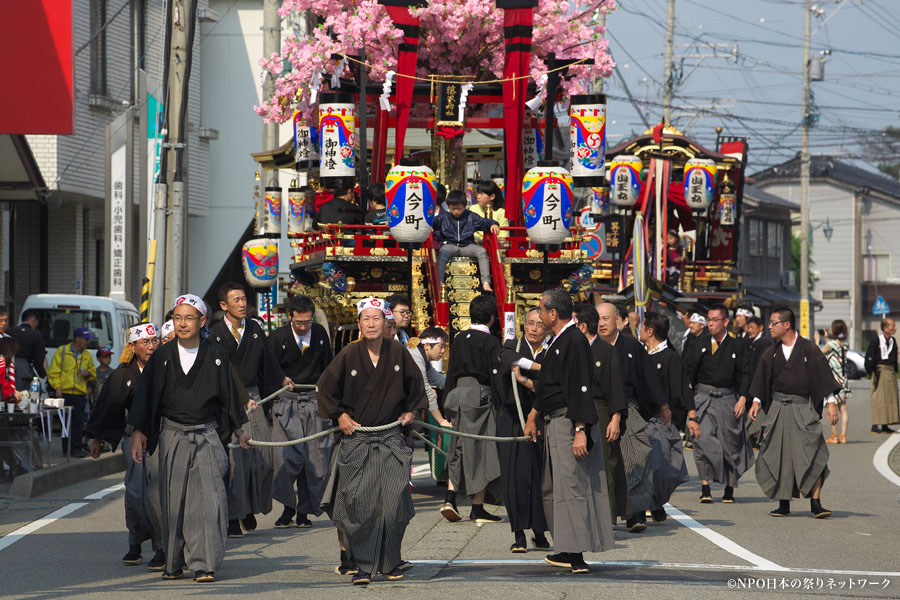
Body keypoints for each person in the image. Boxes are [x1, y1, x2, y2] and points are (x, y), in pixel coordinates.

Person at [129, 294, 251, 583]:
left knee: (209, 501)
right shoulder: (161, 356)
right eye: (177, 318)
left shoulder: (216, 354)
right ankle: (173, 561)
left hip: (207, 435)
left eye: (188, 318)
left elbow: (229, 397)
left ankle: (205, 563)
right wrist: (138, 433)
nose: (182, 324)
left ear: (202, 321)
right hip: (171, 434)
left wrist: (240, 430)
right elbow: (146, 398)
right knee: (171, 501)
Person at [317, 297, 426, 585]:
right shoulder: (349, 354)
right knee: (359, 504)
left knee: (393, 504)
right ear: (360, 323)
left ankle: (389, 562)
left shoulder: (399, 353)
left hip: (390, 438)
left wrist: (409, 410)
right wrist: (339, 415)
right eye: (365, 319)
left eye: (376, 318)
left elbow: (415, 387)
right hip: (358, 439)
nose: (371, 324)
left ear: (386, 321)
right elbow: (326, 389)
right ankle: (363, 566)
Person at [524, 289, 614, 575]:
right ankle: (565, 547)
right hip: (555, 422)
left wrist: (580, 429)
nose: (539, 315)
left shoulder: (573, 340)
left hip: (569, 422)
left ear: (553, 313)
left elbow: (579, 386)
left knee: (573, 487)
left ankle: (576, 555)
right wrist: (533, 414)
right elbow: (550, 383)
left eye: (541, 309)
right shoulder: (559, 340)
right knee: (557, 489)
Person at [441, 295, 537, 524]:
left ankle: (450, 497)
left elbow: (451, 371)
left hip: (456, 395)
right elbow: (496, 373)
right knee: (484, 450)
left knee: (459, 445)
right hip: (478, 397)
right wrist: (503, 400)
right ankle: (477, 507)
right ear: (493, 318)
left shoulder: (459, 338)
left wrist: (447, 402)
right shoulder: (490, 343)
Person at [209, 282, 291, 538]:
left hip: (255, 397)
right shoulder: (215, 334)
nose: (243, 303)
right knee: (236, 464)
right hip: (230, 402)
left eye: (244, 299)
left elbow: (268, 358)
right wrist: (241, 398)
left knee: (264, 459)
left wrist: (281, 379)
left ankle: (249, 508)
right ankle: (234, 516)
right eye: (237, 300)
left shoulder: (255, 328)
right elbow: (224, 372)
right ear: (224, 305)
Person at [85, 323, 165, 569]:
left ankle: (162, 547)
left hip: (164, 435)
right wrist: (97, 437)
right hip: (134, 440)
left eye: (155, 341)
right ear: (132, 347)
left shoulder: (166, 368)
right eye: (145, 342)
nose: (151, 347)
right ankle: (135, 542)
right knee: (135, 493)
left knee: (159, 495)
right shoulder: (122, 374)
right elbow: (107, 407)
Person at [748, 308, 840, 518]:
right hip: (779, 408)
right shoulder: (771, 353)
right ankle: (783, 502)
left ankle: (816, 503)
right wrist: (755, 401)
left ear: (786, 324)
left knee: (813, 451)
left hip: (802, 407)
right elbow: (760, 380)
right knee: (780, 454)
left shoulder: (809, 348)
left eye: (773, 323)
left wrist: (831, 402)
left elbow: (823, 376)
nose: (769, 327)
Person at [596, 302, 667, 532]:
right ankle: (607, 514)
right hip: (600, 410)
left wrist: (662, 405)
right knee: (606, 465)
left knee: (636, 459)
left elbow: (648, 378)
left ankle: (635, 514)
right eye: (598, 319)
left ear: (618, 320)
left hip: (629, 407)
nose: (602, 323)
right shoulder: (590, 347)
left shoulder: (632, 346)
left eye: (607, 318)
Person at [269, 295, 334, 530]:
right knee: (285, 458)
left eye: (307, 322)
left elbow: (328, 366)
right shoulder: (277, 338)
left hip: (314, 400)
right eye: (299, 322)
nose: (303, 326)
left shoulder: (319, 334)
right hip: (287, 401)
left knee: (314, 458)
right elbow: (269, 368)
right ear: (290, 317)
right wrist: (280, 379)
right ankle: (288, 506)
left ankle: (304, 511)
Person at [682, 304, 754, 504]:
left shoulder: (738, 345)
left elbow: (745, 373)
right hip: (703, 397)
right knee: (702, 438)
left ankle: (729, 487)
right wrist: (689, 404)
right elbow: (688, 373)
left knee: (730, 442)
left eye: (714, 320)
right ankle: (705, 486)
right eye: (709, 319)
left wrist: (742, 398)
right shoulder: (698, 343)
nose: (710, 323)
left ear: (725, 322)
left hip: (728, 396)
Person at [639, 311, 702, 522]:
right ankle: (647, 505)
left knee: (662, 466)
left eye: (642, 326)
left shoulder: (670, 357)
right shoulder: (640, 355)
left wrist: (692, 416)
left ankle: (656, 502)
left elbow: (682, 389)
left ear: (650, 331)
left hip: (663, 421)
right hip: (639, 419)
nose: (639, 330)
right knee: (642, 465)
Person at [573, 304, 627, 525]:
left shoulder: (606, 350)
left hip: (602, 410)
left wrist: (615, 418)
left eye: (574, 323)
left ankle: (609, 515)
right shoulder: (576, 348)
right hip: (579, 409)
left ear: (584, 326)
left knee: (607, 462)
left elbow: (615, 387)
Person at [501, 309, 550, 552]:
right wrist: (539, 369)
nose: (533, 328)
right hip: (512, 418)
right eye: (530, 323)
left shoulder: (550, 351)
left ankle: (540, 532)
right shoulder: (512, 345)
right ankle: (518, 533)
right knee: (515, 478)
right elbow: (507, 359)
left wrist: (525, 380)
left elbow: (551, 384)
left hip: (540, 418)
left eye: (539, 325)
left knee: (539, 476)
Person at [432, 190, 500, 293]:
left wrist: (493, 224)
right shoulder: (443, 217)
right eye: (452, 209)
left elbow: (484, 222)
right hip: (450, 245)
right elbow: (430, 223)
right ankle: (440, 282)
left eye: (459, 209)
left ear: (464, 206)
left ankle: (485, 282)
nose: (456, 212)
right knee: (443, 252)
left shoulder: (471, 216)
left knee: (482, 251)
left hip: (468, 245)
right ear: (448, 206)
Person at [47, 326, 97, 457]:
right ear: (77, 339)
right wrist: (57, 387)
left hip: (80, 394)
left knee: (78, 423)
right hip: (65, 393)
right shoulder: (62, 351)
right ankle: (66, 449)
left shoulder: (87, 355)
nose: (87, 342)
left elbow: (93, 373)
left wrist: (89, 374)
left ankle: (76, 448)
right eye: (85, 339)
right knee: (65, 423)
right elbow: (53, 372)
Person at [407, 327, 451, 428]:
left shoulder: (422, 357)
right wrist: (441, 421)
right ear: (427, 345)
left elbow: (439, 380)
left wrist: (461, 385)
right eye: (441, 347)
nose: (444, 351)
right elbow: (426, 389)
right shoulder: (415, 356)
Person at [864, 317, 899, 434]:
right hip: (879, 371)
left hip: (890, 371)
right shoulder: (876, 340)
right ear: (885, 328)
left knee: (890, 398)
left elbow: (894, 358)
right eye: (892, 326)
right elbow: (869, 357)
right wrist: (872, 371)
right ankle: (875, 425)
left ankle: (885, 424)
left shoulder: (893, 341)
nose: (894, 328)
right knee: (878, 399)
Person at [745, 316, 774, 448]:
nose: (750, 330)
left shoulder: (764, 342)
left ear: (761, 327)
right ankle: (754, 437)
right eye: (748, 328)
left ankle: (757, 437)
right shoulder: (751, 342)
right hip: (751, 382)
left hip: (761, 382)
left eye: (752, 327)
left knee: (760, 413)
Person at [822, 320, 851, 444]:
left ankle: (834, 436)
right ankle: (843, 436)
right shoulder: (845, 344)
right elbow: (834, 347)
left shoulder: (832, 344)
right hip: (843, 379)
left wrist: (819, 340)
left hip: (833, 380)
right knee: (843, 408)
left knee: (831, 406)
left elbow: (821, 352)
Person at [11, 309, 47, 390]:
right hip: (24, 370)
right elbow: (39, 357)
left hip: (9, 369)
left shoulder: (10, 331)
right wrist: (42, 373)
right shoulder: (36, 335)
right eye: (36, 321)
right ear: (33, 320)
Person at [470, 180, 508, 244]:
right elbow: (470, 231)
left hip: (496, 245)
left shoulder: (501, 212)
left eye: (482, 194)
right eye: (478, 193)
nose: (478, 197)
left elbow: (503, 235)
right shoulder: (473, 208)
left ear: (492, 196)